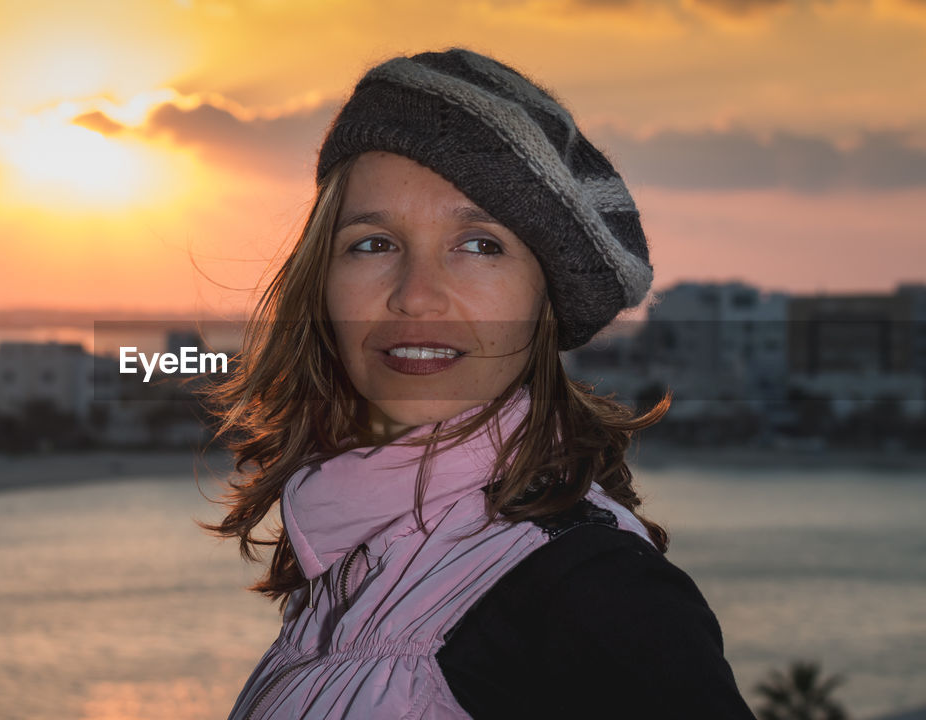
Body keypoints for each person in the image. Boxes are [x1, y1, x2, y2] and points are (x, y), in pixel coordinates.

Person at [201, 47, 755, 719]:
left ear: (544, 300)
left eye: (480, 245)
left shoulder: (596, 596)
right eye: (372, 244)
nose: (416, 297)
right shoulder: (348, 576)